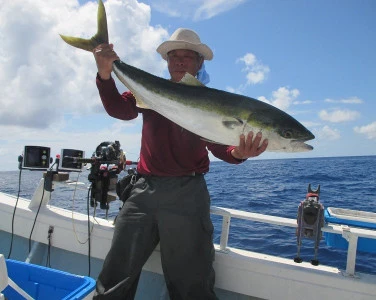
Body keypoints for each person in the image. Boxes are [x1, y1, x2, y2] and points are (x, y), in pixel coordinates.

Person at [92, 28, 268, 299]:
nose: (180, 61)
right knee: (116, 274)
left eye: (188, 56)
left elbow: (220, 147)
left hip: (188, 194)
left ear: (200, 63)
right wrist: (105, 74)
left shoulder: (213, 102)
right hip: (143, 192)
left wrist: (240, 153)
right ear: (167, 61)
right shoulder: (150, 92)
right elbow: (120, 109)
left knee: (191, 283)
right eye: (174, 56)